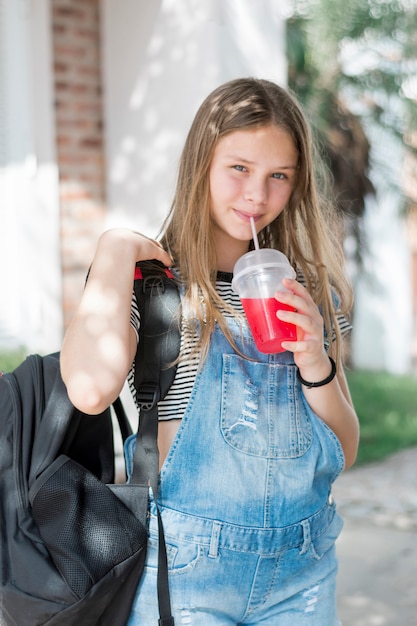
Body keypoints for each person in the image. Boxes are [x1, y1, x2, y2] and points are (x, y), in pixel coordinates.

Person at [61, 77, 359, 625]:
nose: (257, 195)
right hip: (183, 569)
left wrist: (316, 360)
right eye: (239, 168)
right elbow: (88, 389)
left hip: (303, 572)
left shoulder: (308, 291)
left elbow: (343, 450)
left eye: (278, 177)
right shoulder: (157, 287)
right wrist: (115, 247)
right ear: (201, 164)